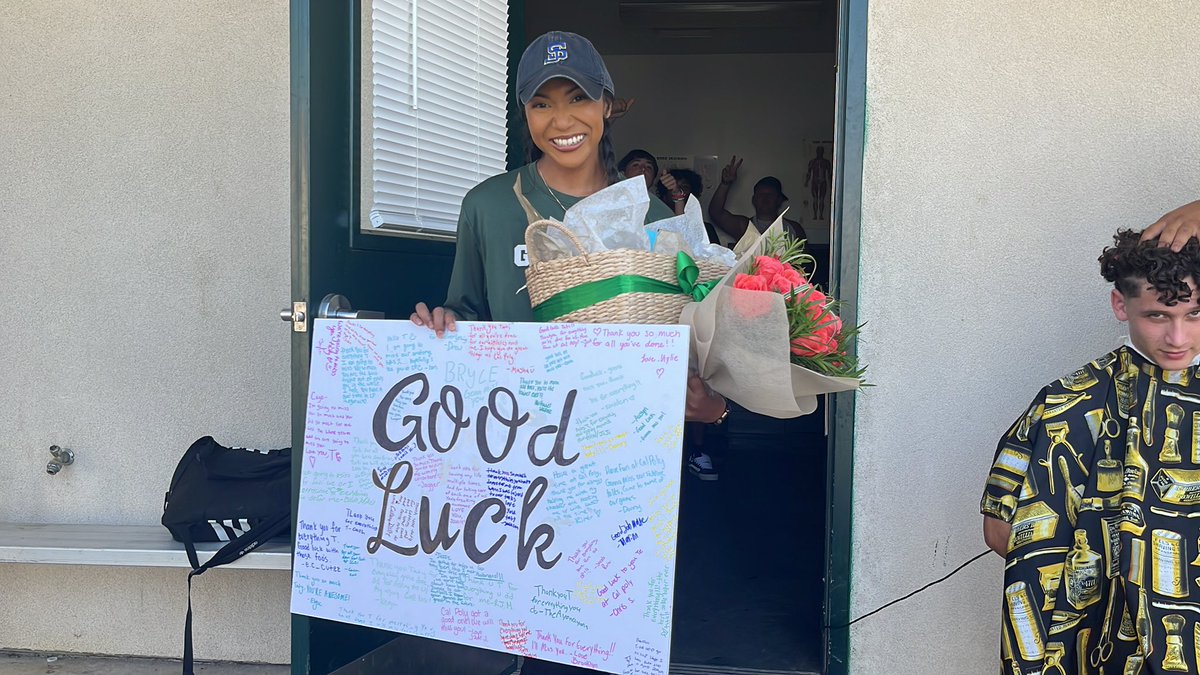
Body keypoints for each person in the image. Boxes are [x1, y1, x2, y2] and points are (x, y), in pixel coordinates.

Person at [411, 34, 729, 672]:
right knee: (504, 645)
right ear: (525, 116)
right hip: (515, 461)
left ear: (609, 106)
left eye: (578, 98)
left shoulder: (653, 220)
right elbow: (467, 316)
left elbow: (698, 341)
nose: (562, 120)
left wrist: (711, 405)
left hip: (622, 473)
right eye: (542, 103)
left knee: (601, 645)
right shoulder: (488, 206)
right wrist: (440, 329)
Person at [980, 228, 1200, 673]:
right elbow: (998, 529)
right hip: (1095, 639)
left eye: (1195, 315)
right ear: (1121, 306)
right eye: (1158, 316)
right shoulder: (1064, 401)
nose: (1179, 337)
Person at [708, 155, 806, 241]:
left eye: (770, 195)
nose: (765, 198)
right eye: (760, 194)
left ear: (779, 200)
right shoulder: (745, 226)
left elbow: (807, 261)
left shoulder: (794, 229)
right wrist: (725, 183)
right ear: (754, 200)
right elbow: (715, 213)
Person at [804, 146, 832, 221]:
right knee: (815, 199)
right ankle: (815, 215)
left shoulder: (826, 162)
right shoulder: (812, 162)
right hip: (814, 181)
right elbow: (809, 173)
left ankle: (821, 215)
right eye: (818, 151)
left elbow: (829, 174)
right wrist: (806, 181)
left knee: (822, 199)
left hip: (823, 181)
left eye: (821, 151)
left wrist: (830, 183)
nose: (820, 153)